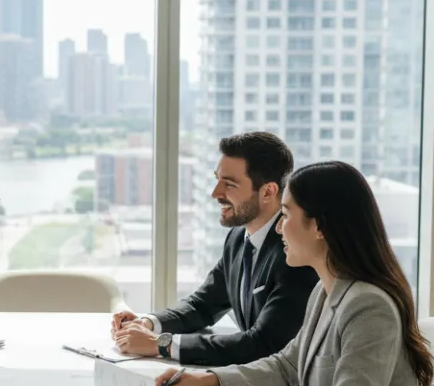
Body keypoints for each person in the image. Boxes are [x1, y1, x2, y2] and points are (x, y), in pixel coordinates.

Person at [155, 161, 434, 386]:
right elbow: (286, 365)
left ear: (319, 226)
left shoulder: (368, 307)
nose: (279, 228)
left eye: (287, 214)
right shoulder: (325, 290)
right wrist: (207, 380)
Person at [112, 132, 317, 370]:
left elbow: (264, 343)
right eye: (217, 180)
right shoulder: (238, 238)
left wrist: (162, 345)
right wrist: (148, 323)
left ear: (268, 192)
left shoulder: (294, 252)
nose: (215, 193)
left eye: (229, 184)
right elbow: (203, 304)